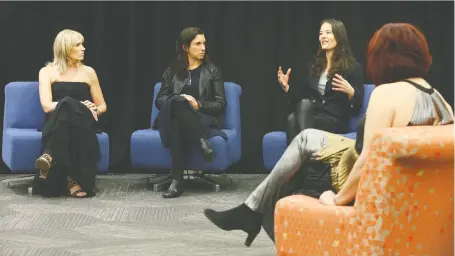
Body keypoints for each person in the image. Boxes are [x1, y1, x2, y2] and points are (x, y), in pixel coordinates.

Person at [204, 23, 454, 247]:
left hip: (376, 189)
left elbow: (368, 158)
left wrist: (338, 198)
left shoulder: (386, 94)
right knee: (306, 137)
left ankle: (255, 212)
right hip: (419, 201)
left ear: (382, 57)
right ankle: (255, 208)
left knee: (288, 182)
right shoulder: (439, 99)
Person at [32, 29, 107, 198]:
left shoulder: (89, 72)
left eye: (83, 44)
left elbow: (102, 106)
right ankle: (72, 179)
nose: (83, 49)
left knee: (67, 105)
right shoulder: (47, 72)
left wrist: (93, 109)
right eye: (78, 45)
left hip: (84, 122)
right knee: (66, 105)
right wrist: (78, 104)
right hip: (57, 122)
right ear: (65, 48)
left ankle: (49, 155)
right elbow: (46, 105)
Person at [154, 27, 227, 199]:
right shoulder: (171, 71)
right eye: (198, 44)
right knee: (179, 102)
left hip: (201, 119)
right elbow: (160, 100)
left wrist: (198, 104)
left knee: (179, 122)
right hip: (170, 117)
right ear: (185, 47)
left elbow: (220, 104)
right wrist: (180, 99)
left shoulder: (213, 71)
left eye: (204, 44)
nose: (203, 48)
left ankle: (177, 181)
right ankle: (202, 142)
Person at [277, 19, 364, 143]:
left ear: (339, 36)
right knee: (293, 116)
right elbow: (303, 98)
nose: (323, 36)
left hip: (334, 120)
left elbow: (357, 107)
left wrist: (351, 92)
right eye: (321, 33)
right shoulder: (315, 66)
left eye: (328, 32)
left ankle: (302, 157)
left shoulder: (352, 67)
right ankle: (308, 160)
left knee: (296, 115)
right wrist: (287, 88)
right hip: (313, 115)